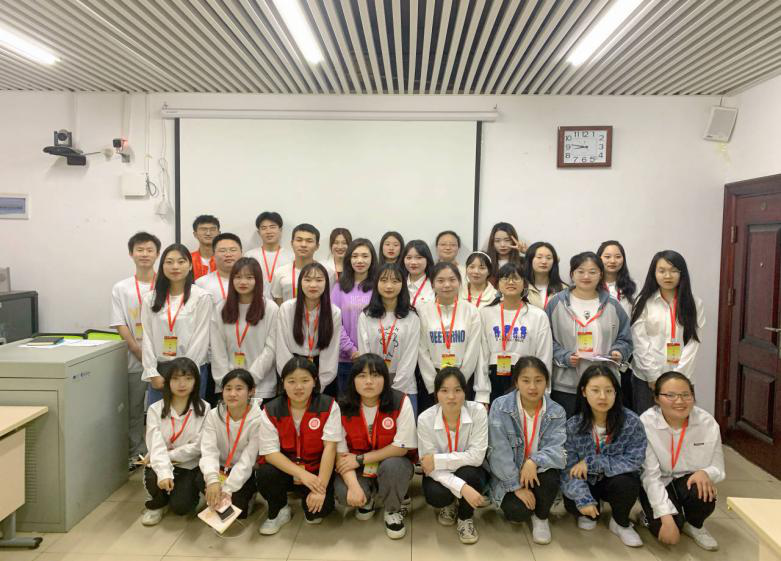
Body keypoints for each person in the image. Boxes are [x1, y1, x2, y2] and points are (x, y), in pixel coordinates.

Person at [560, 365, 647, 548]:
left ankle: (620, 522)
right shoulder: (573, 425)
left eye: (608, 391)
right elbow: (568, 468)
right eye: (595, 390)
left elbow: (634, 460)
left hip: (614, 480)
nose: (602, 397)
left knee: (627, 483)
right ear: (584, 392)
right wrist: (583, 499)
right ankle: (591, 509)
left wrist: (592, 462)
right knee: (573, 501)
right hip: (587, 481)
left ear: (616, 393)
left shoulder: (631, 422)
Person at [335, 354, 417, 539]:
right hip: (359, 467)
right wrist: (354, 488)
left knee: (394, 467)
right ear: (353, 380)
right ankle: (368, 498)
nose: (369, 381)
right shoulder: (342, 407)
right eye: (362, 376)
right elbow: (341, 455)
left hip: (392, 462)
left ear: (385, 379)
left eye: (375, 375)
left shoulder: (400, 401)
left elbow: (402, 447)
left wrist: (361, 458)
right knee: (343, 492)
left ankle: (392, 509)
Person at [639, 371, 723, 551]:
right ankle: (648, 515)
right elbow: (650, 476)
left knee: (703, 489)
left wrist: (706, 472)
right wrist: (666, 518)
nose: (679, 401)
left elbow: (718, 467)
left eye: (686, 395)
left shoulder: (707, 423)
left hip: (688, 480)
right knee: (668, 532)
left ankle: (695, 525)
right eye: (670, 395)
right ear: (656, 398)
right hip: (658, 481)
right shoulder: (646, 423)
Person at [256, 357, 341, 533]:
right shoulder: (270, 409)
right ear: (283, 383)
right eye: (291, 381)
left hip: (316, 471)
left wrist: (320, 489)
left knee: (318, 513)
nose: (298, 387)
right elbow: (270, 453)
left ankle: (311, 499)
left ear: (314, 382)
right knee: (265, 473)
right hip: (287, 472)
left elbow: (330, 448)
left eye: (305, 380)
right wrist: (302, 474)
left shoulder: (329, 405)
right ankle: (279, 509)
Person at [487, 357, 565, 545]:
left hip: (538, 471)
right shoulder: (500, 406)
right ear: (516, 382)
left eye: (538, 380)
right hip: (509, 474)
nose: (532, 387)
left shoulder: (556, 411)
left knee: (551, 476)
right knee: (517, 512)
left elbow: (557, 450)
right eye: (526, 380)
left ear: (546, 382)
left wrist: (533, 461)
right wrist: (516, 486)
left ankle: (541, 518)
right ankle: (529, 504)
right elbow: (498, 452)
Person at [546, 251, 633, 417]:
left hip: (604, 385)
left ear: (601, 274)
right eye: (580, 271)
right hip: (567, 385)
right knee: (568, 429)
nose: (586, 276)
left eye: (592, 272)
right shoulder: (556, 303)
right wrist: (564, 356)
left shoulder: (612, 304)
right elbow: (546, 340)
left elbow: (626, 339)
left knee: (603, 429)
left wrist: (618, 351)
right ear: (572, 274)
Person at [417, 368, 488, 545]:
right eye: (444, 390)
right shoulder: (425, 419)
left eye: (457, 390)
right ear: (436, 394)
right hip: (439, 474)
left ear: (465, 392)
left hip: (469, 471)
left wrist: (437, 460)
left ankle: (465, 518)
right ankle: (449, 504)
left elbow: (477, 457)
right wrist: (462, 488)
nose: (451, 397)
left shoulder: (478, 411)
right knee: (436, 495)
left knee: (470, 473)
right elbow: (428, 467)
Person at [631, 250, 705, 414]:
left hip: (682, 377)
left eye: (674, 271)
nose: (668, 276)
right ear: (654, 273)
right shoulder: (643, 302)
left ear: (682, 273)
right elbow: (639, 342)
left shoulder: (694, 303)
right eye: (662, 270)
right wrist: (653, 376)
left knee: (678, 422)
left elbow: (693, 343)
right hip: (647, 379)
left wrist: (677, 379)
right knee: (647, 423)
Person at [111, 231, 161, 469]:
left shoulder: (166, 284)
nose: (144, 254)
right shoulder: (122, 288)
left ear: (157, 254)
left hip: (162, 357)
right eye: (140, 250)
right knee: (134, 409)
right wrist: (137, 349)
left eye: (150, 250)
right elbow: (119, 322)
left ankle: (160, 453)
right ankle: (136, 453)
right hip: (134, 357)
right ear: (131, 253)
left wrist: (152, 356)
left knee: (160, 408)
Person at [141, 357, 210, 526]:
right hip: (159, 462)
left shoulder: (205, 408)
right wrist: (164, 473)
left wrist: (168, 455)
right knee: (155, 475)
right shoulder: (155, 409)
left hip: (189, 465)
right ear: (168, 381)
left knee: (181, 508)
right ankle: (157, 504)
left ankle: (184, 495)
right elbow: (155, 445)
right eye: (176, 378)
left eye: (188, 378)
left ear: (196, 381)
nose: (182, 384)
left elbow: (198, 446)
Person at [141, 243, 212, 404]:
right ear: (162, 266)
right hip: (160, 371)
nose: (175, 267)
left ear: (190, 265)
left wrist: (184, 374)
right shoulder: (150, 298)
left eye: (181, 261)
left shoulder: (201, 297)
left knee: (191, 417)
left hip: (191, 370)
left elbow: (201, 338)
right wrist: (152, 372)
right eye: (169, 262)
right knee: (159, 416)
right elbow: (147, 337)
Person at [479, 263, 552, 403]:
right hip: (493, 379)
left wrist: (544, 393)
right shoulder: (485, 313)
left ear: (524, 283)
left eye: (516, 278)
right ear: (497, 284)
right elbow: (482, 356)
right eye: (505, 278)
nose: (510, 282)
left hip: (527, 378)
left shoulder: (538, 315)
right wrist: (482, 395)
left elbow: (545, 357)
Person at [417, 262, 485, 412]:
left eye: (452, 280)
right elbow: (422, 351)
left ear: (460, 282)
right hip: (432, 380)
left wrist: (460, 381)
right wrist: (434, 385)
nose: (447, 285)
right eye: (440, 280)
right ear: (432, 284)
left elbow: (473, 349)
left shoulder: (471, 311)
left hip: (463, 379)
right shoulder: (423, 311)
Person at [210, 257, 278, 400]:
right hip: (228, 388)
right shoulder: (221, 308)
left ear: (258, 280)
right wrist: (228, 382)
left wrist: (249, 380)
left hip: (261, 387)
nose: (243, 282)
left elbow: (271, 349)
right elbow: (217, 349)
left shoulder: (270, 308)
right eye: (238, 277)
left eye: (249, 277)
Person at [197, 369, 261, 519]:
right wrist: (213, 481)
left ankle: (249, 496)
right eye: (228, 388)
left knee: (239, 513)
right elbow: (209, 450)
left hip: (244, 471)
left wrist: (227, 489)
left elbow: (248, 460)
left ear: (251, 391)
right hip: (220, 469)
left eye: (239, 389)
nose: (232, 394)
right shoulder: (213, 415)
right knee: (200, 478)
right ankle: (214, 495)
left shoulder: (259, 419)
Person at [357, 263, 420, 413]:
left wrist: (396, 388)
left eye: (395, 281)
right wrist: (377, 383)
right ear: (376, 283)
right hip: (373, 383)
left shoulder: (411, 317)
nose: (389, 286)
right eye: (384, 280)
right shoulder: (366, 316)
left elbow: (410, 356)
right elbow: (365, 354)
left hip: (405, 386)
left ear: (403, 284)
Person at [276, 262, 342, 397]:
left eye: (319, 280)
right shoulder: (287, 308)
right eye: (307, 280)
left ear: (326, 283)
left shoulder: (334, 312)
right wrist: (291, 379)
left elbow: (331, 352)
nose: (313, 285)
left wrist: (319, 384)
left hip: (322, 371)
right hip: (291, 367)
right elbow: (282, 348)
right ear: (300, 283)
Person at [331, 238, 376, 396]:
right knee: (347, 404)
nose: (360, 260)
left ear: (372, 259)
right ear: (349, 259)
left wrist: (366, 351)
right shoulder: (339, 287)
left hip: (374, 358)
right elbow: (334, 322)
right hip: (345, 359)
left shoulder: (379, 286)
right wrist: (351, 350)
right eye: (355, 256)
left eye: (365, 256)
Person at [597, 240, 638, 409]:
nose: (612, 261)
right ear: (599, 258)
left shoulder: (633, 289)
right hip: (598, 350)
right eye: (607, 256)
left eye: (617, 256)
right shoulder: (590, 286)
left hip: (625, 353)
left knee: (623, 401)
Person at [271, 224, 335, 305]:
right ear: (292, 243)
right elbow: (279, 303)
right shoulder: (280, 272)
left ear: (317, 246)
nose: (303, 245)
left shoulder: (328, 272)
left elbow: (329, 300)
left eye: (309, 241)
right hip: (288, 313)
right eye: (299, 240)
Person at [244, 211, 294, 299]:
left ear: (280, 230)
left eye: (272, 227)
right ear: (259, 232)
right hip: (256, 302)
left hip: (284, 302)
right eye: (264, 228)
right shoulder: (249, 255)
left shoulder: (291, 256)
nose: (268, 231)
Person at [196, 233, 242, 304]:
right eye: (222, 251)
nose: (228, 254)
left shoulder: (253, 281)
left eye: (233, 250)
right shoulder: (201, 283)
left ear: (241, 253)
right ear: (213, 255)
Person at [524, 242, 566, 310]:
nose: (544, 261)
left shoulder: (564, 289)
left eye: (548, 258)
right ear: (530, 260)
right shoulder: (521, 287)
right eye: (539, 257)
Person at [401, 239, 435, 307]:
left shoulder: (434, 285)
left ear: (427, 259)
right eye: (409, 258)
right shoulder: (399, 283)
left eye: (419, 257)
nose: (413, 262)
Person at [190, 215, 220, 280]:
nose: (208, 233)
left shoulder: (225, 259)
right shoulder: (188, 260)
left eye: (212, 229)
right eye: (203, 229)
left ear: (219, 233)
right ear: (195, 234)